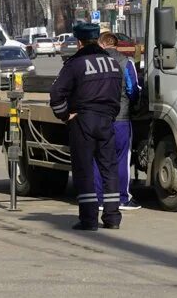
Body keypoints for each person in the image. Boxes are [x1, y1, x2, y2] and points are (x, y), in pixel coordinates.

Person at [50, 22, 123, 231]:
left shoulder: (76, 64)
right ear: (97, 40)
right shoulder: (113, 63)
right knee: (109, 169)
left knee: (84, 170)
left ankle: (89, 219)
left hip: (84, 120)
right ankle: (112, 217)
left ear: (79, 41)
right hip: (108, 120)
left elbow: (56, 95)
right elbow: (118, 94)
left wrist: (65, 115)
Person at [93, 32, 142, 211]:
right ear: (115, 44)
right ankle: (122, 198)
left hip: (98, 118)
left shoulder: (94, 63)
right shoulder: (126, 62)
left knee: (98, 158)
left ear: (102, 44)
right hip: (121, 118)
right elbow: (133, 89)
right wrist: (133, 105)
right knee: (122, 158)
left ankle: (99, 199)